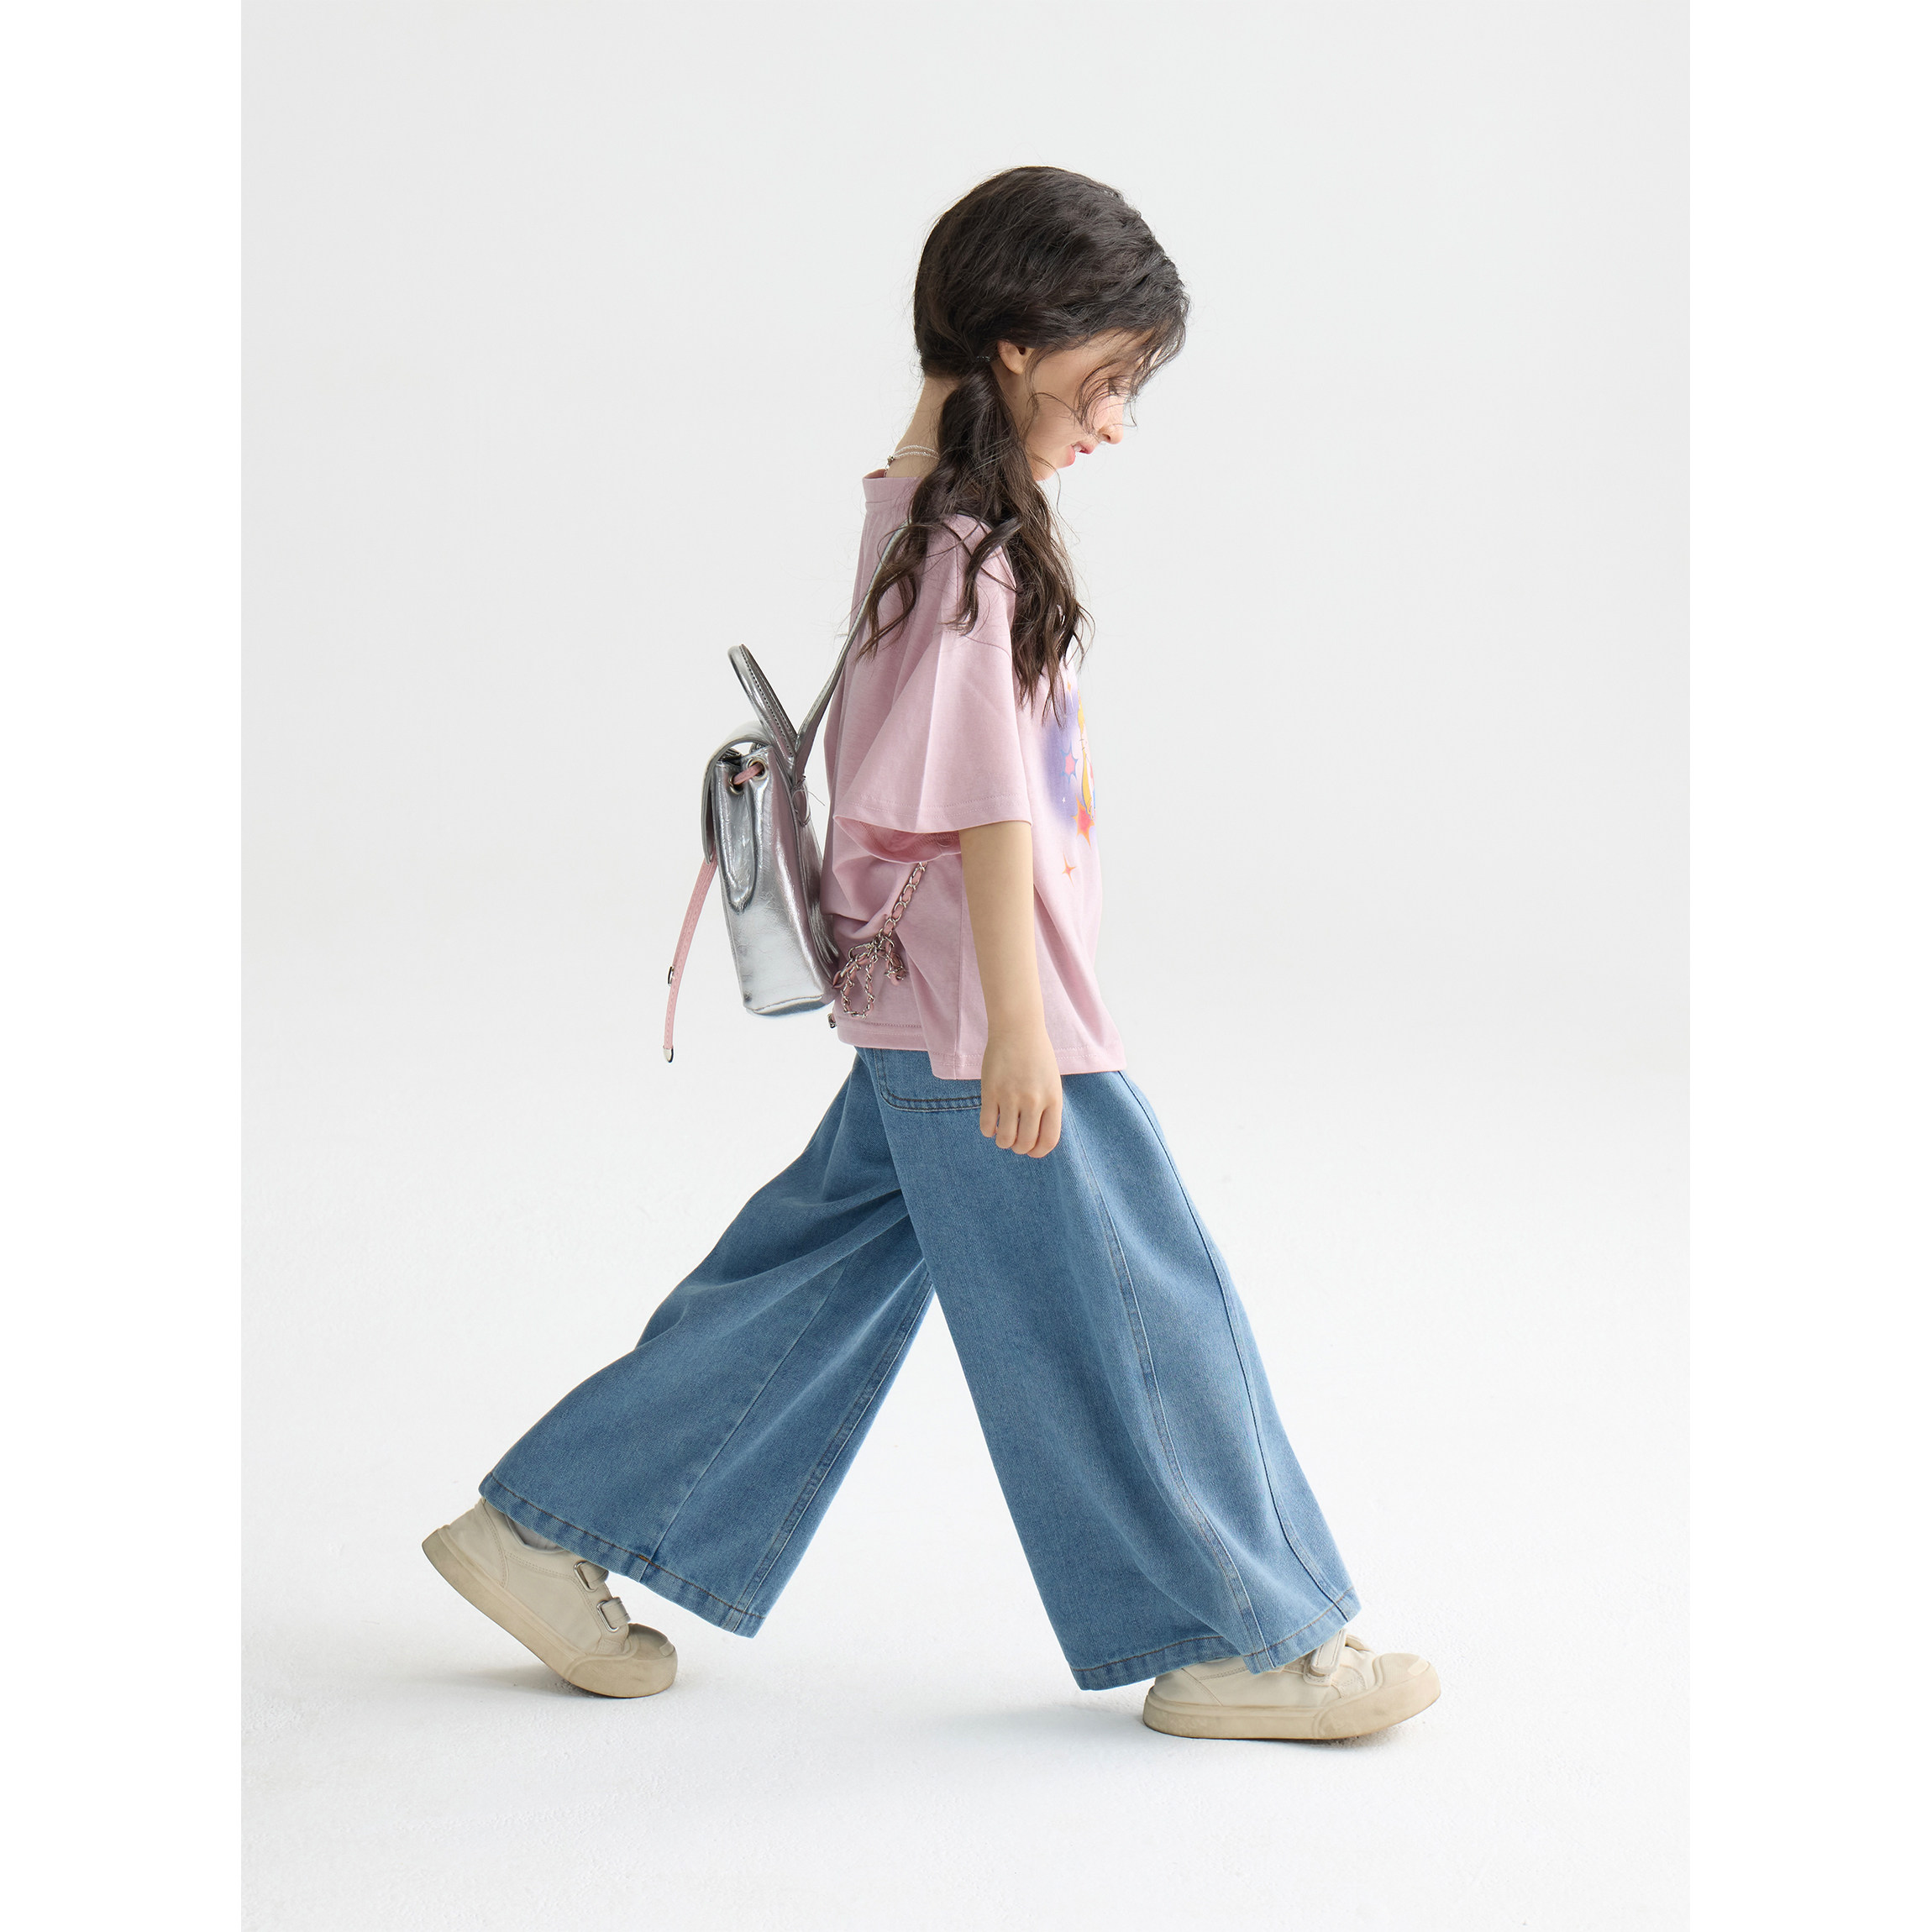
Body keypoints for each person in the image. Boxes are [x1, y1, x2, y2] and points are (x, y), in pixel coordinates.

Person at [423, 166, 1440, 1742]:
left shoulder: (918, 507)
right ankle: (1239, 1639)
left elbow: (956, 716)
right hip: (984, 1014)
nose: (1118, 423)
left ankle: (546, 1535)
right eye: (1110, 378)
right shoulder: (972, 546)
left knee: (809, 1282)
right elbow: (982, 807)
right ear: (1019, 345)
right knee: (1135, 1297)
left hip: (927, 1003)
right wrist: (1022, 1035)